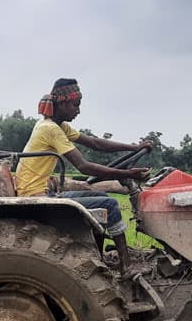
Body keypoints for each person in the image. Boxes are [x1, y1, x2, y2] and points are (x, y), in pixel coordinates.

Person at [15, 78, 151, 273]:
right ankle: (127, 266)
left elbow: (96, 144)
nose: (78, 110)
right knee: (110, 205)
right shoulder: (50, 129)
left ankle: (98, 260)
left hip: (42, 192)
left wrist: (135, 147)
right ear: (61, 103)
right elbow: (83, 166)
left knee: (103, 199)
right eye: (75, 105)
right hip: (38, 197)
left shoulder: (58, 126)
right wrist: (128, 173)